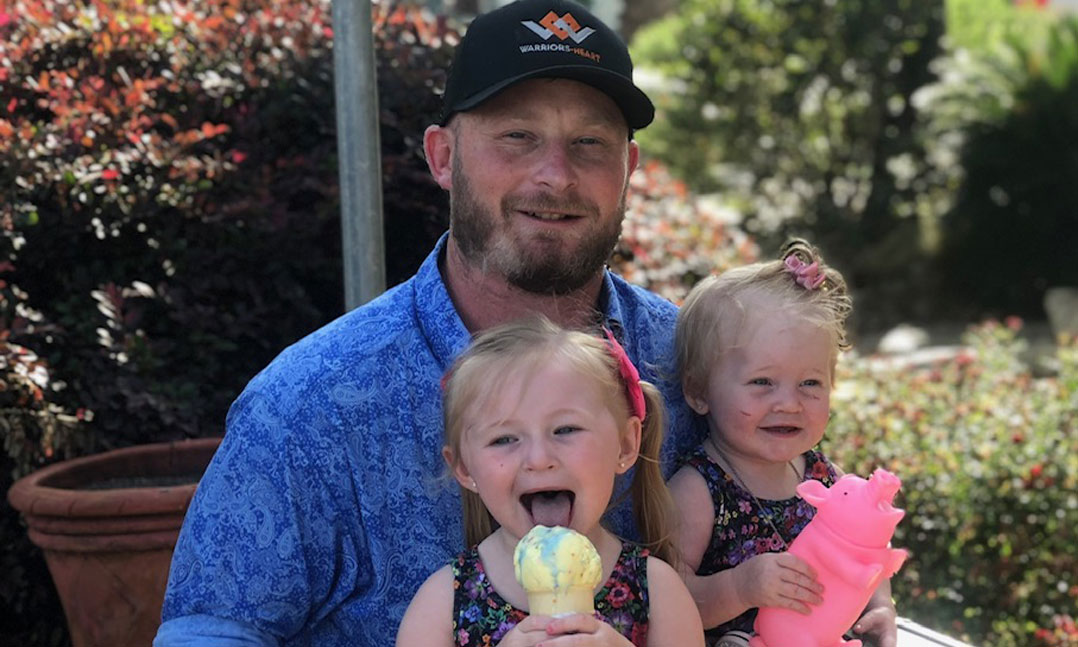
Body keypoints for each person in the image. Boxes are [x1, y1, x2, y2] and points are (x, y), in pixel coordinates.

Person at [154, 0, 705, 645]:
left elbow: (798, 519)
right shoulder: (310, 405)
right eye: (516, 136)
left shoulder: (694, 362)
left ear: (628, 171)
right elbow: (211, 633)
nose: (555, 175)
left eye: (589, 144)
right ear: (443, 158)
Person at [396, 317, 704, 646]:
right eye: (503, 439)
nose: (539, 459)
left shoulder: (657, 591)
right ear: (465, 469)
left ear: (626, 445)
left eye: (565, 430)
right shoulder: (443, 601)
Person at [667, 240, 899, 647]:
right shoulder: (699, 490)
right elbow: (666, 599)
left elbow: (868, 553)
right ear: (698, 391)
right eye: (762, 383)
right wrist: (740, 589)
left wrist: (880, 605)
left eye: (810, 383)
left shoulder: (830, 481)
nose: (788, 404)